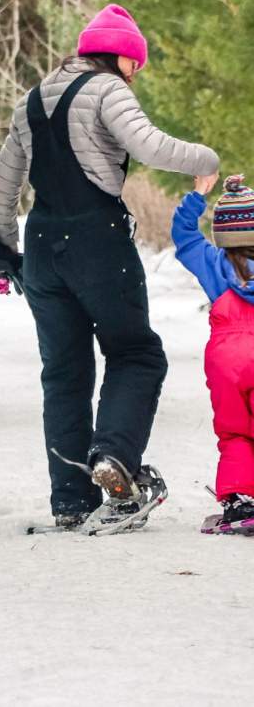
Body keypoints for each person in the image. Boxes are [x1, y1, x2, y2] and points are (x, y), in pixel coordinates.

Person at [0, 3, 220, 530]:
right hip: (97, 239)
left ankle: (71, 502)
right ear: (119, 56)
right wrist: (205, 160)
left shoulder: (31, 100)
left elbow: (1, 188)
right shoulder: (108, 89)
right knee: (137, 353)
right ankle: (113, 458)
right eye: (135, 62)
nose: (136, 73)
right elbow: (149, 145)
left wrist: (6, 251)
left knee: (64, 373)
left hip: (42, 245)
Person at [172, 173, 254, 529]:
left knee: (235, 432)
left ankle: (240, 501)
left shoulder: (213, 264)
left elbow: (184, 236)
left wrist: (198, 194)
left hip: (226, 360)